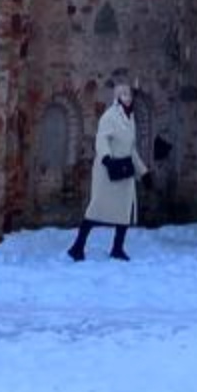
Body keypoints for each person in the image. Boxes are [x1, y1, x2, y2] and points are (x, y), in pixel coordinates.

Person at [68, 79, 145, 261]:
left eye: (129, 95)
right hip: (108, 172)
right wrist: (106, 158)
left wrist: (143, 171)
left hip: (125, 170)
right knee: (96, 209)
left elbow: (131, 148)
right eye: (124, 95)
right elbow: (101, 139)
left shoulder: (130, 118)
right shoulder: (110, 116)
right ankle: (77, 246)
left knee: (124, 211)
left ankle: (117, 248)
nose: (128, 98)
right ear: (117, 97)